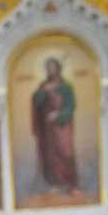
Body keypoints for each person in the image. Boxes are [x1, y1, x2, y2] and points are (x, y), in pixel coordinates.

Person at [31, 56, 80, 196]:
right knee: (50, 154)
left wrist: (58, 115)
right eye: (48, 68)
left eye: (52, 67)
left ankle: (71, 184)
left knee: (66, 152)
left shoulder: (66, 86)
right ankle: (56, 183)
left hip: (62, 126)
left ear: (58, 68)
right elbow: (37, 103)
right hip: (48, 128)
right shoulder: (43, 85)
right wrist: (43, 92)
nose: (50, 70)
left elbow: (71, 106)